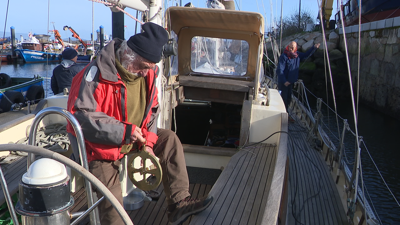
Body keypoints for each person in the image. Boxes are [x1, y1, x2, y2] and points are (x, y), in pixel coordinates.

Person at [66, 22, 212, 225]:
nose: (146, 73)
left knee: (169, 140)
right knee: (114, 212)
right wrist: (124, 131)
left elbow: (152, 111)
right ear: (128, 55)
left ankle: (178, 204)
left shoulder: (148, 74)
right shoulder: (94, 75)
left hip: (132, 137)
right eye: (144, 67)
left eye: (150, 68)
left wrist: (149, 145)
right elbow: (80, 118)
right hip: (98, 148)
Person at [276, 41, 320, 111]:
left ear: (295, 48)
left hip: (291, 82)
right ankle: (283, 114)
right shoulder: (284, 56)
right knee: (283, 99)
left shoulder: (297, 55)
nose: (290, 49)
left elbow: (306, 55)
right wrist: (284, 81)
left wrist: (314, 48)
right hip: (283, 82)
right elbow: (279, 70)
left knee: (289, 99)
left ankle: (287, 113)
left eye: (292, 47)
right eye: (290, 47)